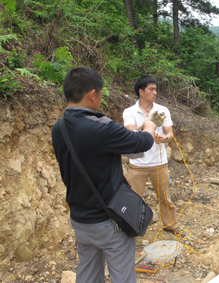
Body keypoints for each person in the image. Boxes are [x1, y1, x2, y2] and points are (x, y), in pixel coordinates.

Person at [51, 67, 160, 283]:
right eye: (100, 94)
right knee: (122, 276)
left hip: (80, 219)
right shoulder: (102, 128)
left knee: (88, 273)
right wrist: (149, 126)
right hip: (110, 220)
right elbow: (142, 142)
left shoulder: (58, 128)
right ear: (92, 94)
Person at [123, 75, 187, 238]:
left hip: (159, 164)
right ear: (141, 91)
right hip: (137, 164)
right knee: (133, 200)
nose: (155, 92)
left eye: (156, 89)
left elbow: (170, 133)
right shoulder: (130, 111)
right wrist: (147, 126)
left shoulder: (162, 111)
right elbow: (130, 132)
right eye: (151, 89)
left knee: (165, 198)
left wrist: (164, 139)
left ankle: (170, 226)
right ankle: (131, 228)